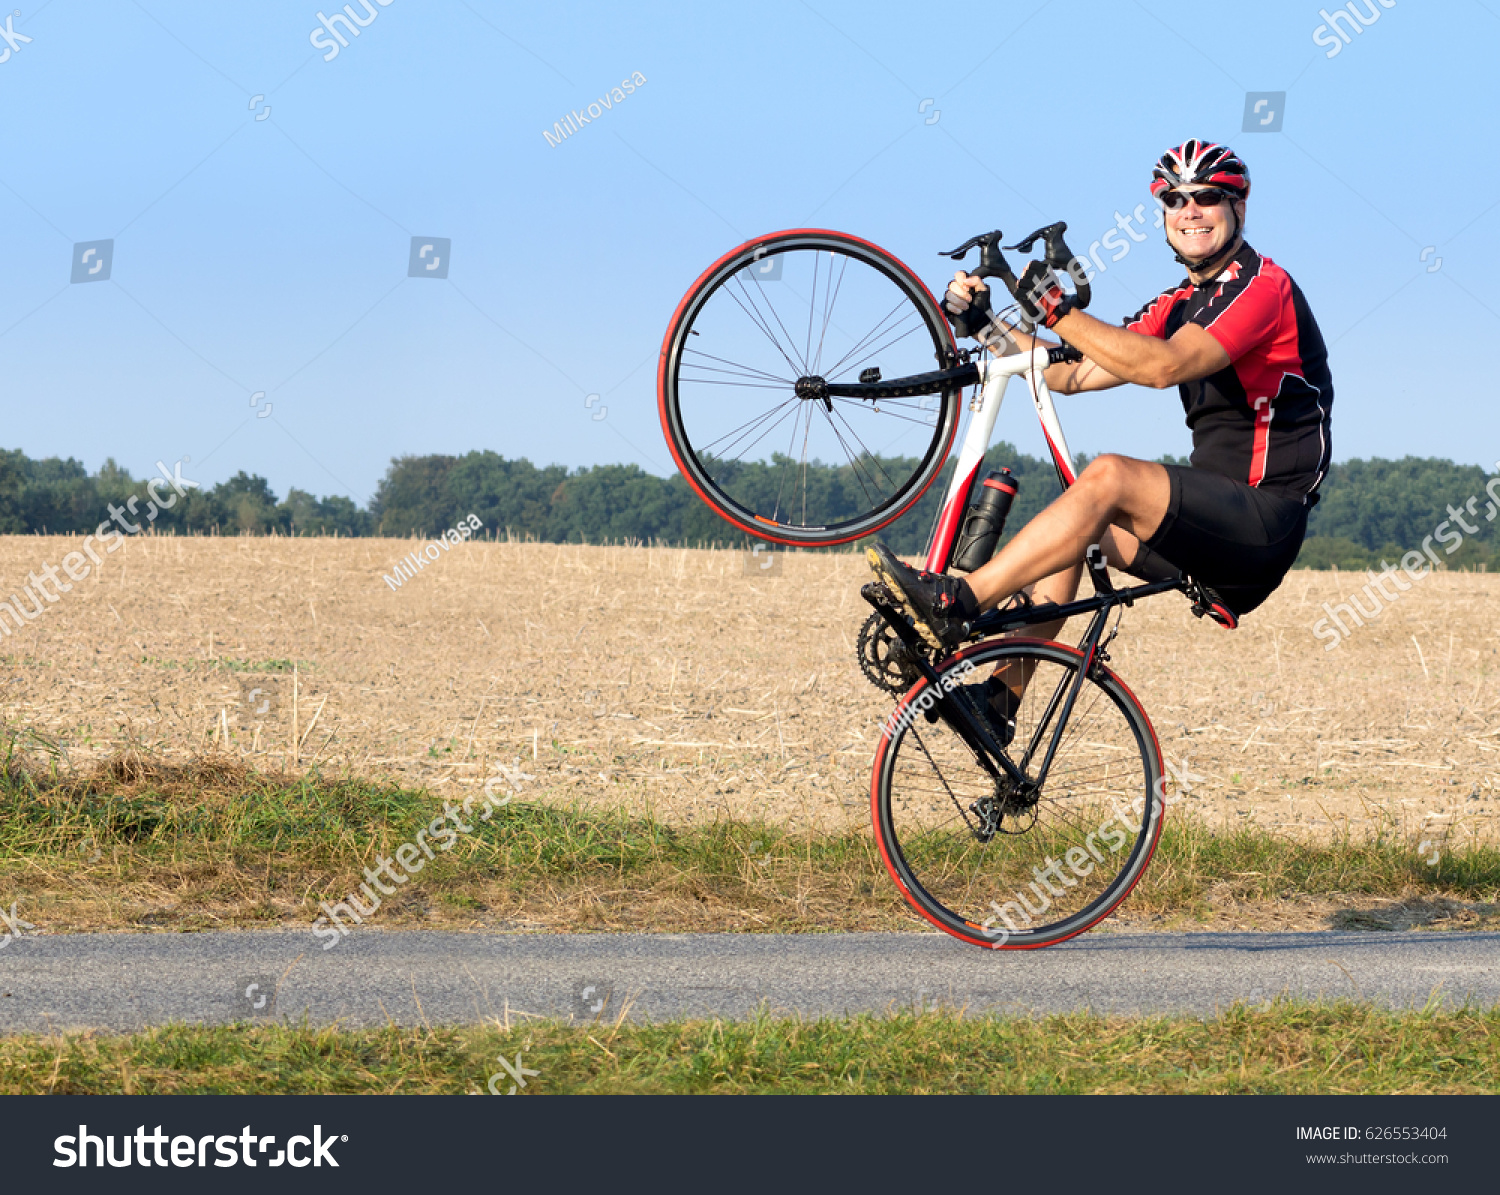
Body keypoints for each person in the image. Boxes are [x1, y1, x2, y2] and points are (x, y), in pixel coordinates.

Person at [866, 139, 1333, 743]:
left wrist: (1055, 309)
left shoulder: (1262, 289)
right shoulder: (1179, 303)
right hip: (1208, 529)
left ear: (1238, 208)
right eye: (1176, 199)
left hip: (1263, 524)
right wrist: (987, 327)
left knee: (1108, 475)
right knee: (1070, 525)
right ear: (1163, 214)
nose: (1191, 210)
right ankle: (998, 702)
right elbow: (1073, 373)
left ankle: (958, 600)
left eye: (1208, 198)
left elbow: (1162, 366)